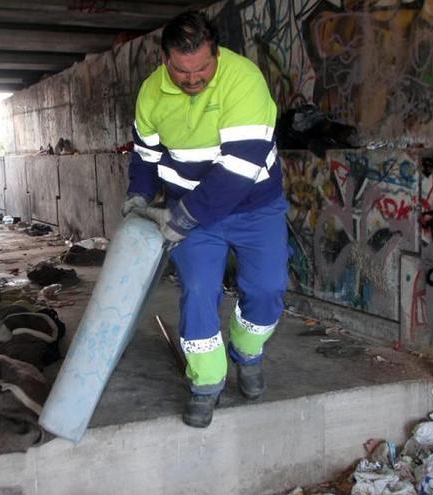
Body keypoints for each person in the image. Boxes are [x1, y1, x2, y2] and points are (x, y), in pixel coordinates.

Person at [122, 10, 288, 428]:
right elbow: (146, 154)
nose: (192, 79)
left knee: (267, 289)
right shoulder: (151, 94)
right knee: (198, 292)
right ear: (165, 59)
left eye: (202, 69)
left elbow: (239, 167)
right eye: (181, 70)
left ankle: (248, 354)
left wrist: (184, 217)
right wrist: (138, 195)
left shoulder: (243, 80)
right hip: (193, 213)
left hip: (253, 207)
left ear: (216, 54)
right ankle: (206, 385)